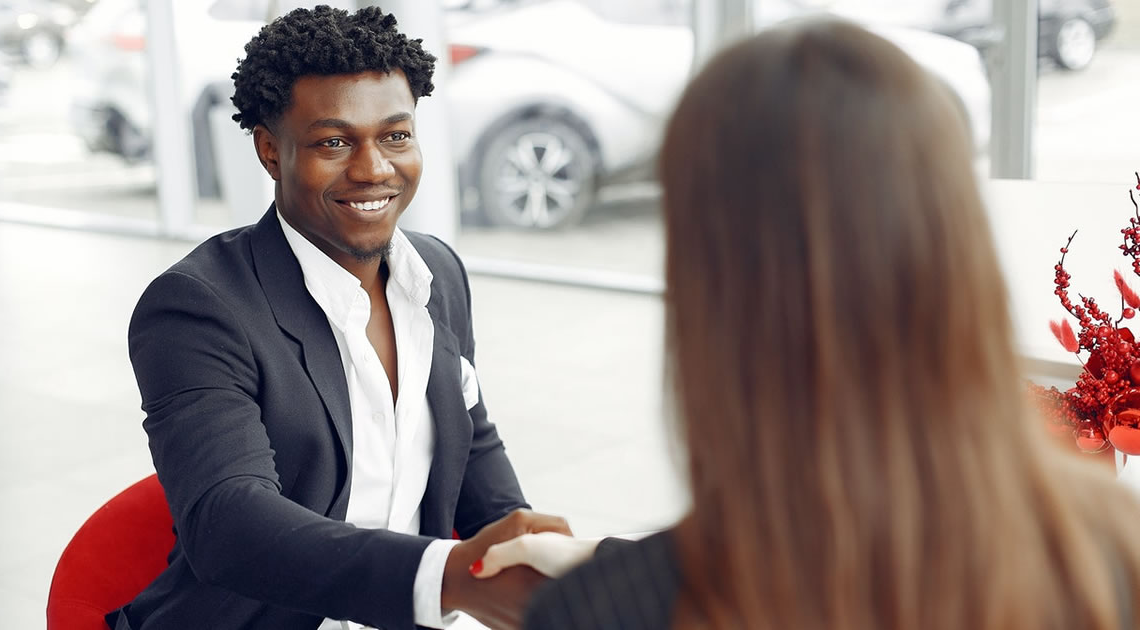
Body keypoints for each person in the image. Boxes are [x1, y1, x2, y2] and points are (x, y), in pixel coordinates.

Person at [474, 18, 1140, 630]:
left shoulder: (608, 613)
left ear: (709, 297)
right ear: (956, 252)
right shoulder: (1110, 551)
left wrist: (623, 575)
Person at [111, 6, 569, 630]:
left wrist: (532, 561)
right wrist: (443, 576)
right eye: (333, 142)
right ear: (271, 151)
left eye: (396, 135)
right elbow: (228, 521)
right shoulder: (196, 308)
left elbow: (471, 442)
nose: (374, 168)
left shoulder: (436, 274)